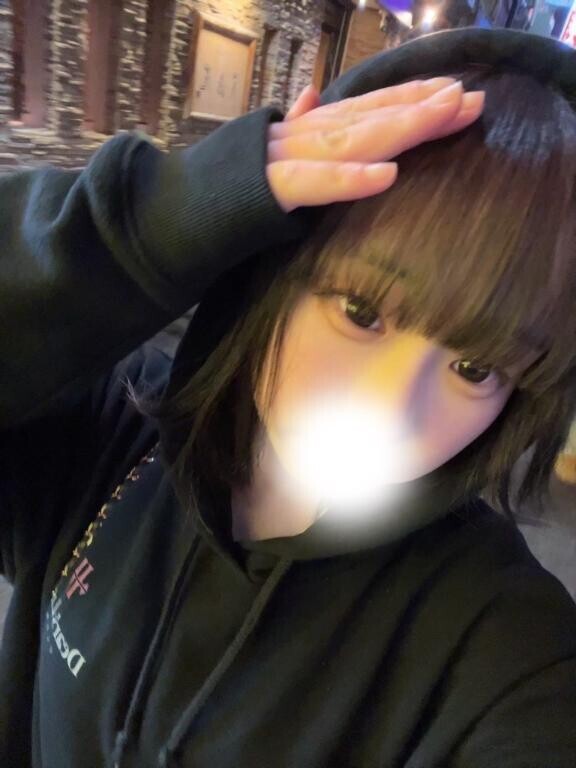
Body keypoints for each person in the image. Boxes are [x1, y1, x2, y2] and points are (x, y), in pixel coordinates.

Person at [1, 25, 575, 768]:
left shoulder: (503, 650)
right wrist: (152, 224)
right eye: (360, 311)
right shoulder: (108, 433)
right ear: (275, 277)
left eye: (475, 367)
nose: (391, 410)